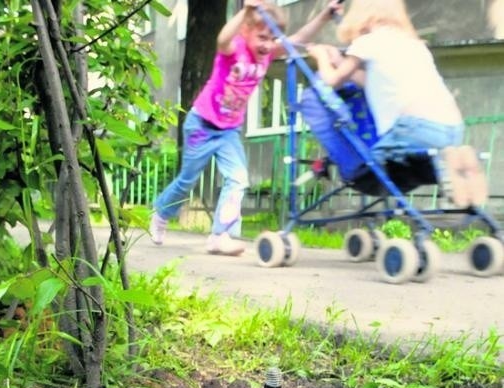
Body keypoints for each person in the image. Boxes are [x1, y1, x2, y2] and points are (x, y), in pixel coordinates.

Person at [149, 0, 345, 255]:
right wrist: (245, 12)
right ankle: (161, 213)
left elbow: (298, 38)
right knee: (187, 180)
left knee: (238, 179)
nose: (267, 43)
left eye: (273, 37)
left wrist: (325, 16)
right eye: (262, 36)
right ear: (246, 31)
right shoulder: (234, 49)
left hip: (229, 130)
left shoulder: (268, 54)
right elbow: (222, 38)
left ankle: (221, 235)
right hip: (202, 125)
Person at [306, 0, 488, 208]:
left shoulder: (367, 42)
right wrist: (340, 61)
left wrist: (321, 56)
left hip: (414, 129)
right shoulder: (414, 45)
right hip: (452, 130)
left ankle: (446, 166)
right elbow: (370, 82)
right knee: (417, 163)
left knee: (371, 166)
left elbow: (330, 82)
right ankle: (457, 164)